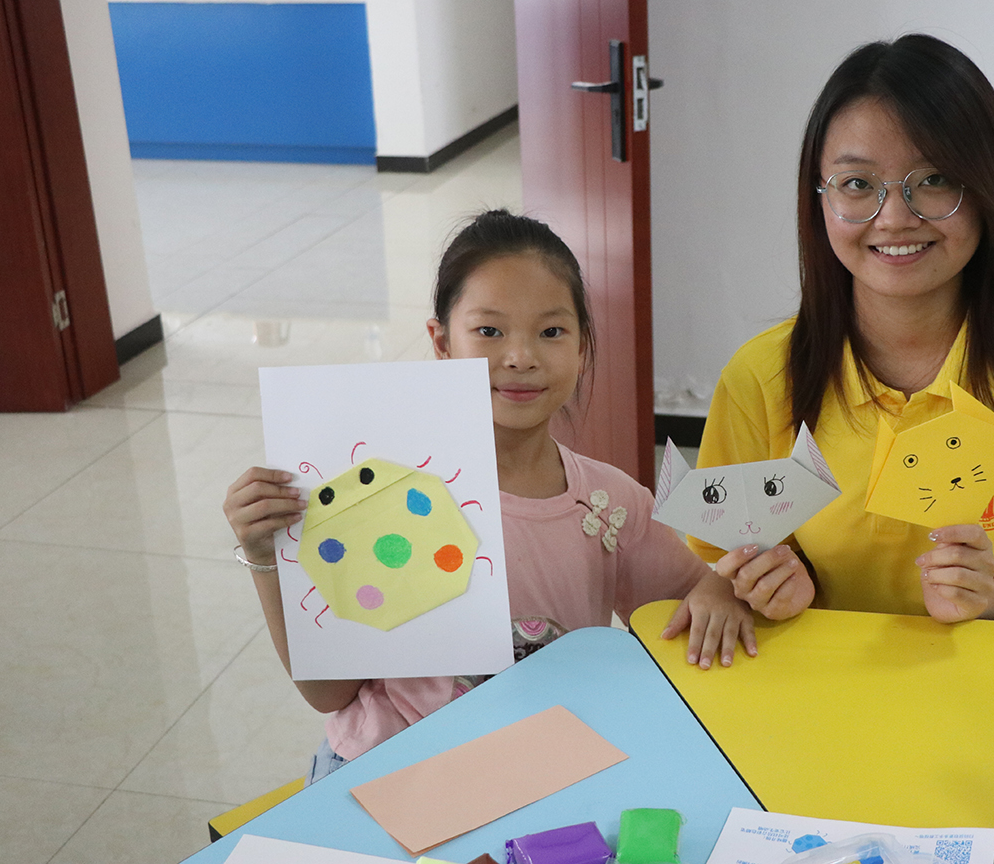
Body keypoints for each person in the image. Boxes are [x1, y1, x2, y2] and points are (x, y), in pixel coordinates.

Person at [225, 209, 755, 784]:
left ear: (583, 348)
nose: (521, 356)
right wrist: (265, 557)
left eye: (551, 332)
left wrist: (728, 586)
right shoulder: (371, 495)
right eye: (489, 331)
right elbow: (328, 694)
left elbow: (691, 608)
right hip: (387, 770)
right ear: (441, 342)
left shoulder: (611, 503)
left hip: (540, 775)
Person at [697, 35, 994, 627]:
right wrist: (757, 587)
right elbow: (723, 564)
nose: (895, 218)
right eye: (857, 184)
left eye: (934, 179)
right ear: (819, 198)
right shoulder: (761, 376)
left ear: (987, 189)